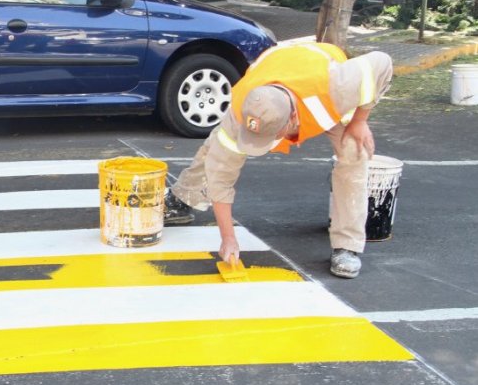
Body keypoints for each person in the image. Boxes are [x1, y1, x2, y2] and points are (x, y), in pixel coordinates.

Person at [162, 43, 393, 279]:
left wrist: (360, 120)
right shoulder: (241, 108)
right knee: (216, 150)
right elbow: (220, 177)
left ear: (292, 119)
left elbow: (381, 61)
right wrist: (228, 239)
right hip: (277, 71)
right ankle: (184, 197)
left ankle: (348, 246)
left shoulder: (337, 85)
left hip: (322, 94)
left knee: (354, 153)